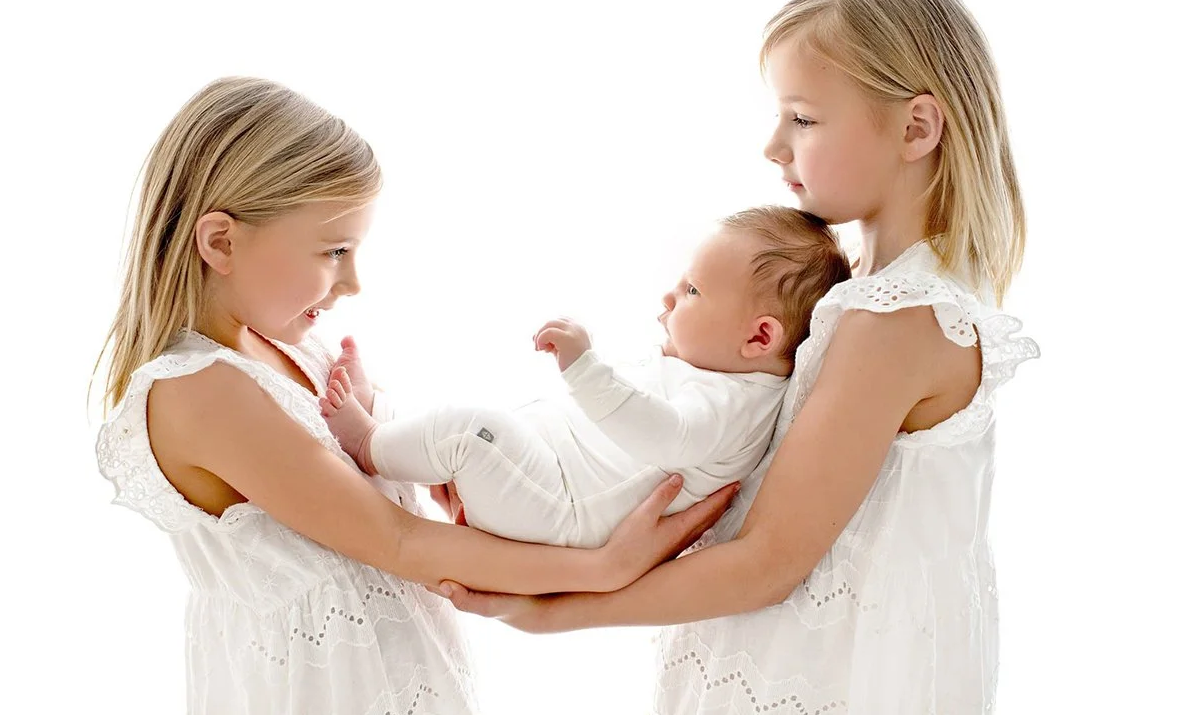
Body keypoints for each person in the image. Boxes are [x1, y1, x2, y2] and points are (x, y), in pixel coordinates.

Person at [437, 0, 1040, 715]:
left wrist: (557, 612)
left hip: (816, 710)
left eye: (802, 117)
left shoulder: (895, 319)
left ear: (915, 129)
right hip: (809, 674)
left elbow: (769, 560)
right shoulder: (875, 293)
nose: (772, 145)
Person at [92, 76, 734, 715]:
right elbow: (397, 542)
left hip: (394, 694)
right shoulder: (201, 391)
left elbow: (392, 500)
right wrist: (602, 568)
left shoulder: (287, 349)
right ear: (220, 241)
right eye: (333, 251)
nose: (352, 282)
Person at [321, 206, 850, 548]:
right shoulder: (711, 374)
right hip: (548, 483)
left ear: (759, 338)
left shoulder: (732, 404)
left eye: (693, 292)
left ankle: (369, 443)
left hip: (561, 510)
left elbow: (662, 432)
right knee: (482, 427)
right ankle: (385, 420)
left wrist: (584, 368)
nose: (669, 297)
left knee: (469, 430)